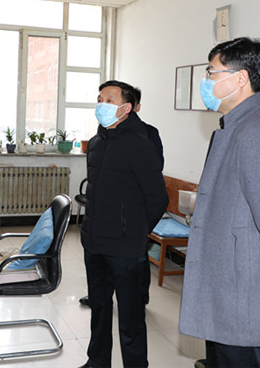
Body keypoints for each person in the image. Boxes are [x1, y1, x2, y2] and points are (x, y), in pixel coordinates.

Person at [179, 37, 260, 368]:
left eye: (212, 73)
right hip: (227, 291)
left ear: (240, 78)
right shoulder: (237, 127)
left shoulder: (258, 133)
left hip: (243, 298)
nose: (206, 81)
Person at [79, 80, 169, 368]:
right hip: (94, 243)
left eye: (109, 100)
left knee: (130, 318)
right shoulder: (96, 142)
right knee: (99, 309)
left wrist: (136, 231)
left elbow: (158, 198)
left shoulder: (139, 144)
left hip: (126, 249)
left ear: (126, 108)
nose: (101, 105)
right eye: (100, 99)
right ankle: (97, 362)